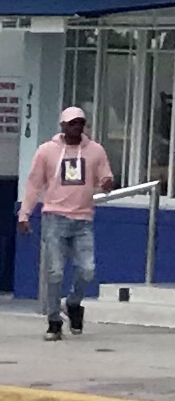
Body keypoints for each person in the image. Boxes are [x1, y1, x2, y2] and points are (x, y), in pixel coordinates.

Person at [20, 102, 114, 338]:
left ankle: (72, 303)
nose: (77, 128)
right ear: (63, 125)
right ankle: (54, 321)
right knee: (55, 272)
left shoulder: (95, 150)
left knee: (87, 270)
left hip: (83, 218)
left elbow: (105, 176)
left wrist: (107, 183)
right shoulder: (46, 151)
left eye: (81, 123)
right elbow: (34, 184)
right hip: (54, 217)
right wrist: (24, 213)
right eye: (72, 124)